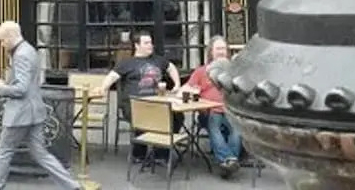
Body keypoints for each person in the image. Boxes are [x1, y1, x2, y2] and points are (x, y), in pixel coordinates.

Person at [0, 20, 80, 190]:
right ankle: (72, 186)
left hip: (19, 114)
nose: (2, 44)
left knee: (4, 152)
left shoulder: (20, 55)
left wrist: (1, 88)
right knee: (41, 154)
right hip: (34, 112)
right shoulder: (29, 50)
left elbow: (21, 89)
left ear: (11, 36)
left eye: (2, 40)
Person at [93, 31, 182, 158]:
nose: (150, 45)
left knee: (177, 116)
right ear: (137, 45)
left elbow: (171, 67)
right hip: (134, 105)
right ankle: (140, 153)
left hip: (158, 103)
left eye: (151, 43)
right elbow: (112, 76)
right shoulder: (127, 63)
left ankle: (161, 152)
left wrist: (177, 84)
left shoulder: (158, 60)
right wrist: (103, 88)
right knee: (147, 116)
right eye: (146, 43)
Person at [182, 35, 243, 177]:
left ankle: (228, 163)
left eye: (223, 48)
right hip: (209, 111)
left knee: (237, 129)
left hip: (231, 111)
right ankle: (229, 159)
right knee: (214, 123)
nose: (221, 52)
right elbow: (186, 89)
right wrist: (185, 91)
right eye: (218, 49)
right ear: (211, 52)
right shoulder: (202, 71)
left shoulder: (235, 70)